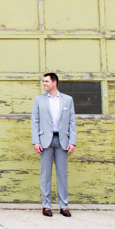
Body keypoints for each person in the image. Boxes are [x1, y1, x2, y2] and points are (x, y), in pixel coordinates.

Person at [31, 72, 76, 217]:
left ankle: (64, 206)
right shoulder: (39, 100)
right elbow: (35, 121)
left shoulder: (67, 100)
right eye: (43, 82)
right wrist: (36, 141)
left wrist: (72, 141)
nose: (44, 84)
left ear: (54, 83)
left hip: (62, 140)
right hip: (45, 141)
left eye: (46, 81)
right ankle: (46, 205)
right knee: (45, 174)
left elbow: (72, 122)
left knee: (62, 175)